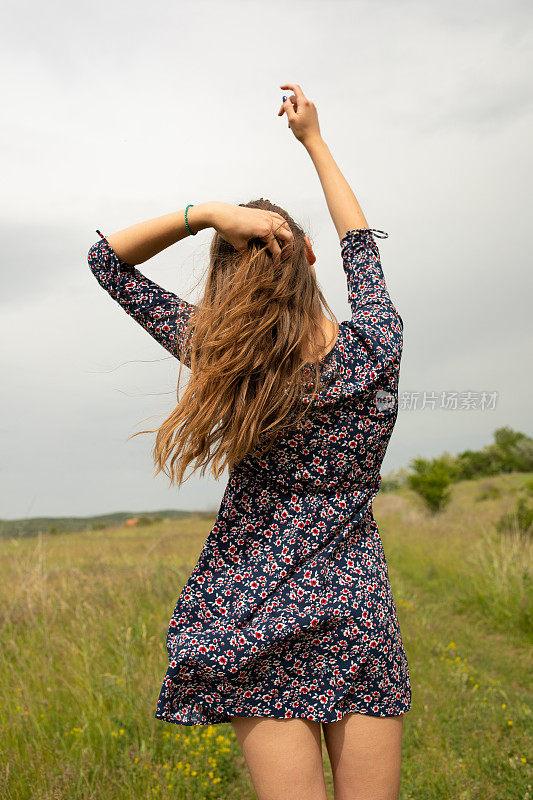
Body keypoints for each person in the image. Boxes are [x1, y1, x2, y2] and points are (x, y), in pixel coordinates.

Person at [87, 82, 410, 800]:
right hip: (355, 606)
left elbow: (106, 260)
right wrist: (314, 140)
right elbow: (362, 245)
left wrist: (205, 213)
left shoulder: (222, 354)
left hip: (251, 608)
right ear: (311, 262)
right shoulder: (377, 344)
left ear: (228, 275)